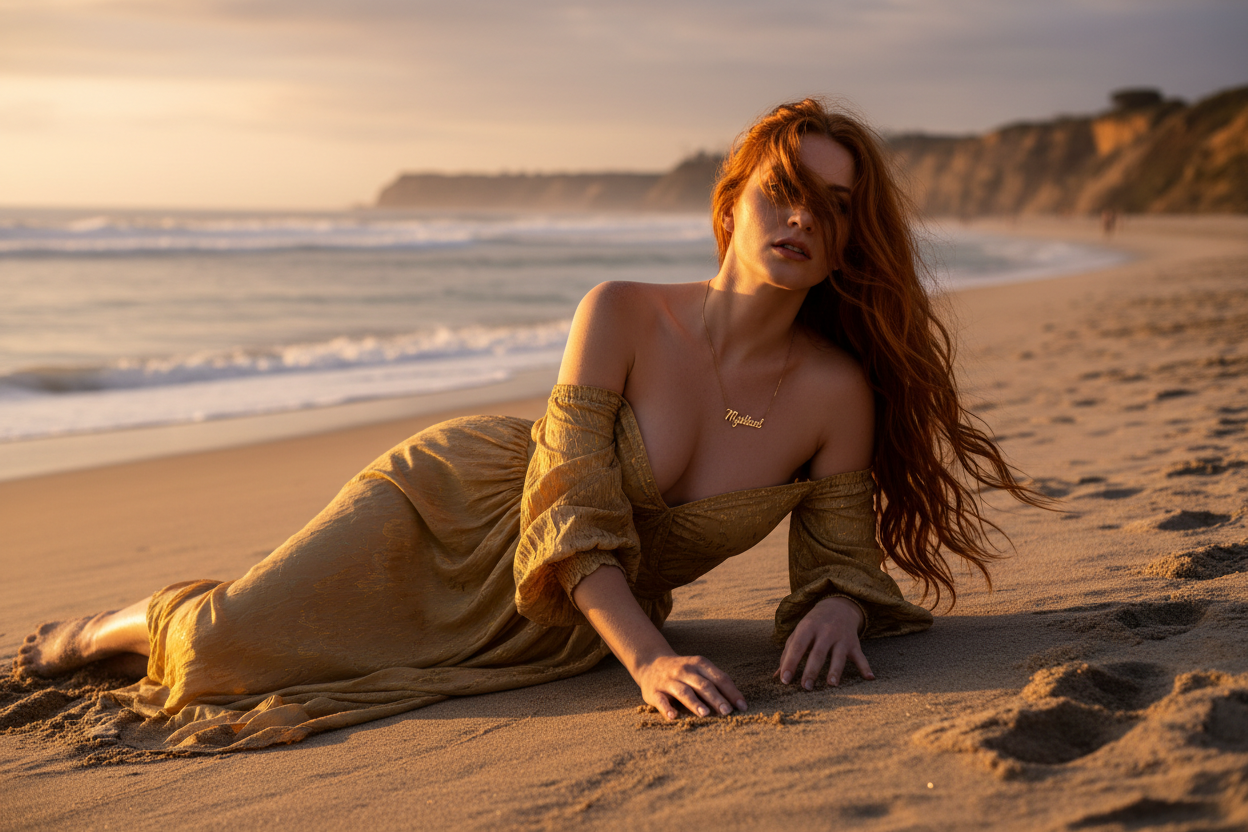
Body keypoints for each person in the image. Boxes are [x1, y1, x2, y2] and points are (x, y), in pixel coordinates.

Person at [13, 99, 1041, 753]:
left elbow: (839, 560)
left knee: (284, 665)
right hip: (452, 511)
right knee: (229, 646)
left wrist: (840, 611)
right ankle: (98, 627)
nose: (805, 219)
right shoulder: (624, 310)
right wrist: (646, 660)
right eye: (784, 192)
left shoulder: (835, 392)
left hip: (568, 620)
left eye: (834, 205)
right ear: (733, 205)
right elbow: (572, 505)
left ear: (854, 235)